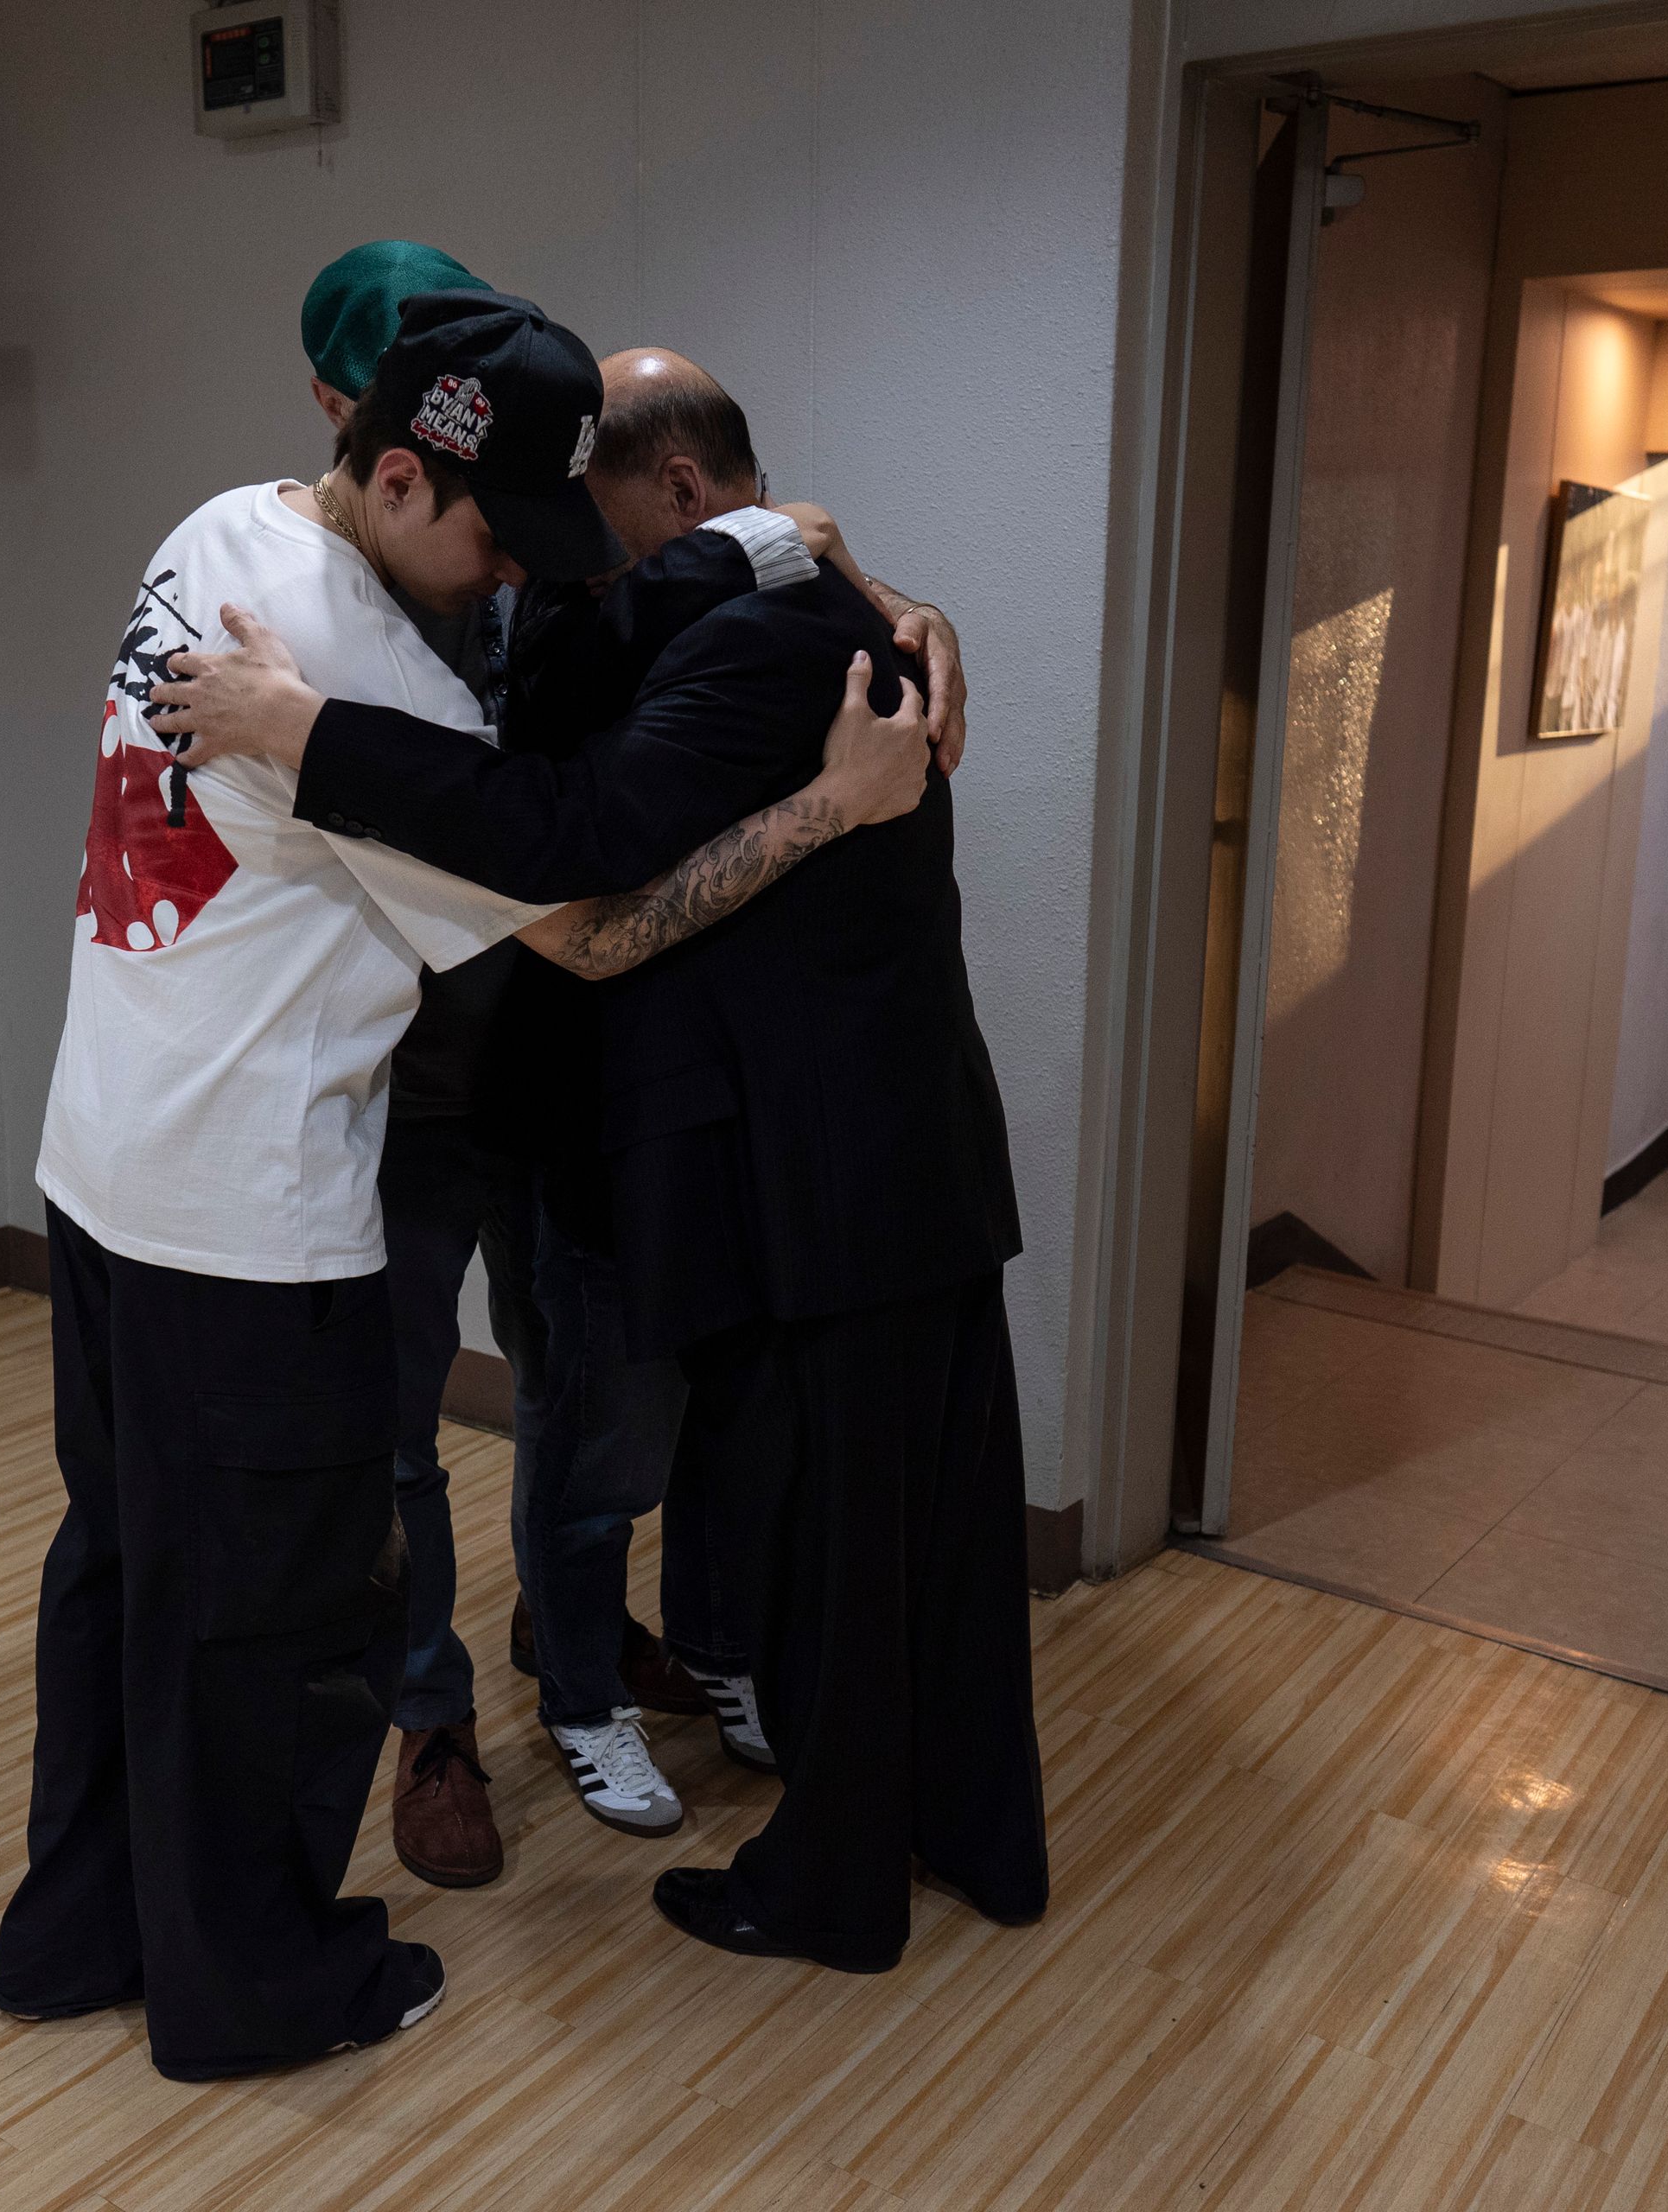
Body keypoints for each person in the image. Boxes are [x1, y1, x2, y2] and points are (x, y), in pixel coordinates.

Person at [0, 294, 930, 2078]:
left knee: (122, 1574)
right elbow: (590, 921)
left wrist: (775, 543)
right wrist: (832, 807)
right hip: (249, 1229)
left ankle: (80, 1929)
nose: (512, 580)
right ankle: (256, 1985)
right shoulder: (374, 689)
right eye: (497, 535)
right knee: (271, 1623)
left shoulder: (222, 528)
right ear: (404, 469)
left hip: (98, 1176)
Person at [148, 346, 1047, 1978]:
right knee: (919, 1526)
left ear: (681, 492)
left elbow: (565, 827)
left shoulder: (766, 636)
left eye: (603, 524)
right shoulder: (759, 596)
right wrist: (784, 546)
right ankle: (969, 1826)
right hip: (861, 1159)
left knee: (831, 1534)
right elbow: (592, 678)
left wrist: (298, 728)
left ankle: (833, 1882)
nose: (561, 563)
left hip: (825, 1178)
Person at [294, 244, 975, 1884]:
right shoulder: (312, 593)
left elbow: (715, 563)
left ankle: (571, 1637)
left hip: (565, 1076)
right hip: (391, 1069)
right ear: (354, 426)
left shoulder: (560, 552)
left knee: (599, 1409)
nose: (503, 531)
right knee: (396, 1418)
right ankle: (431, 1717)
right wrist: (832, 793)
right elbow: (586, 888)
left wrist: (863, 579)